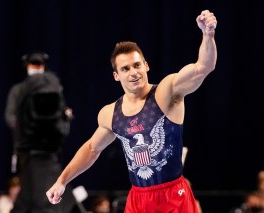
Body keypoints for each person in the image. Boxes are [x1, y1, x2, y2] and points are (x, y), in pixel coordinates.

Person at [46, 9, 217, 213]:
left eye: (137, 65)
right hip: (138, 199)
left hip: (173, 196)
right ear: (116, 76)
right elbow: (92, 149)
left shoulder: (167, 92)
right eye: (125, 69)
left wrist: (208, 34)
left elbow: (202, 67)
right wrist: (62, 181)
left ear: (146, 66)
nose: (133, 72)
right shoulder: (111, 114)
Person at [4, 51, 80, 213]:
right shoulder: (19, 90)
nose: (36, 68)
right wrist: (25, 126)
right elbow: (11, 118)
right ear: (27, 66)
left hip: (49, 151)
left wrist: (64, 118)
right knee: (31, 192)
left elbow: (61, 115)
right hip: (28, 151)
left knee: (45, 192)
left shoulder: (54, 90)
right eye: (33, 64)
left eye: (39, 65)